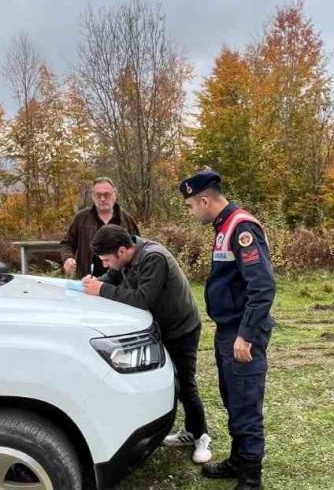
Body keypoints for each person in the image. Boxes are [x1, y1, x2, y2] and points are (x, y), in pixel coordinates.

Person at [80, 225, 213, 464]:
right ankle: (187, 431)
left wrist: (102, 290)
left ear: (121, 251)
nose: (106, 265)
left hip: (181, 328)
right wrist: (94, 284)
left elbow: (142, 299)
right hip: (160, 328)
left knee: (184, 383)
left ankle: (200, 435)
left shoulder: (154, 258)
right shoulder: (126, 259)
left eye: (107, 260)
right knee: (168, 382)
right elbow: (109, 278)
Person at [180, 170, 275, 490]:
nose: (191, 212)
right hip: (228, 330)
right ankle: (238, 460)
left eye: (191, 206)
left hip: (241, 333)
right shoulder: (223, 226)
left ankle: (251, 479)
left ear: (205, 200)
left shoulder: (241, 226)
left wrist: (246, 335)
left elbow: (262, 287)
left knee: (246, 404)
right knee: (232, 399)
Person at [59, 177, 140, 278]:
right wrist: (67, 258)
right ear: (93, 196)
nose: (102, 199)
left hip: (120, 281)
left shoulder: (126, 219)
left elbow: (136, 249)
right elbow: (67, 243)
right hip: (88, 278)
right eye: (98, 195)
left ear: (114, 194)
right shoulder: (81, 218)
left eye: (106, 194)